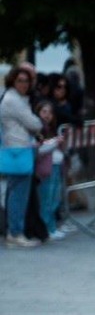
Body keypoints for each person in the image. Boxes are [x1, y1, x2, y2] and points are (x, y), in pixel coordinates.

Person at [1, 65, 45, 248]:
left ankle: (13, 231)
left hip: (15, 148)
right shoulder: (14, 100)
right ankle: (15, 232)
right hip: (18, 149)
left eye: (27, 81)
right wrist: (36, 124)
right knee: (18, 194)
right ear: (12, 80)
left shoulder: (15, 98)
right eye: (20, 80)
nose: (24, 84)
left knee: (14, 192)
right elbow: (34, 123)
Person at [33, 100, 67, 240]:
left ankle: (51, 227)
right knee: (46, 199)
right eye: (44, 112)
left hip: (57, 166)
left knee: (55, 198)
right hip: (46, 168)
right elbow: (39, 150)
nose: (47, 115)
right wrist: (54, 143)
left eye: (50, 112)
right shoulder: (38, 130)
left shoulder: (51, 129)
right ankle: (46, 229)